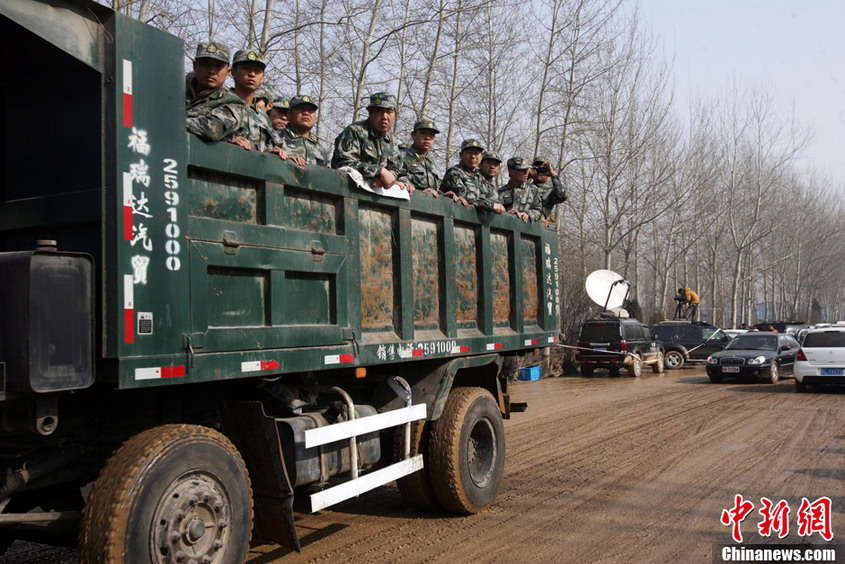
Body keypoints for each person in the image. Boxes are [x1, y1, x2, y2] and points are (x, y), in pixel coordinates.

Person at [187, 49, 301, 164]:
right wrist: (228, 143)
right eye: (246, 68)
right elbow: (202, 129)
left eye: (257, 71)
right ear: (233, 72)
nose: (252, 74)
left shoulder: (263, 117)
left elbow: (266, 150)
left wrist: (279, 154)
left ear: (262, 77)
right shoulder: (218, 100)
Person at [331, 92, 413, 193]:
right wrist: (379, 171)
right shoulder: (355, 132)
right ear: (370, 113)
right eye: (379, 111)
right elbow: (344, 164)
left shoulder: (392, 141)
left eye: (389, 112)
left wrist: (391, 178)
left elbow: (398, 169)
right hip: (349, 192)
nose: (384, 117)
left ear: (395, 114)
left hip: (377, 200)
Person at [439, 139, 505, 213]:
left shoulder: (480, 177)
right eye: (469, 153)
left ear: (481, 156)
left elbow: (493, 199)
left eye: (476, 153)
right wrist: (491, 205)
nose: (473, 156)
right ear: (461, 155)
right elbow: (467, 197)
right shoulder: (454, 172)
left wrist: (498, 206)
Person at [278, 95, 329, 166]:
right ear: (289, 114)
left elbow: (326, 174)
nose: (306, 113)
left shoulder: (319, 149)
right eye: (301, 109)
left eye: (311, 110)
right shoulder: (276, 137)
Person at [185, 42, 234, 109]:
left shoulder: (232, 105)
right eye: (206, 65)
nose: (211, 71)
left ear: (227, 73)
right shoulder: (175, 92)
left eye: (218, 66)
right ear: (195, 66)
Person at [399, 119, 441, 197]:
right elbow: (395, 179)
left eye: (431, 135)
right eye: (423, 133)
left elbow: (436, 188)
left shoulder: (430, 163)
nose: (427, 138)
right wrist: (422, 192)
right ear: (413, 135)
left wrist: (447, 194)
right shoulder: (401, 155)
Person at [499, 157, 543, 222]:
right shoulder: (501, 191)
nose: (526, 173)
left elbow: (538, 211)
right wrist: (507, 213)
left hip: (526, 229)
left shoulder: (533, 190)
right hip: (505, 227)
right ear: (511, 171)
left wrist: (527, 214)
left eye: (527, 169)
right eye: (521, 170)